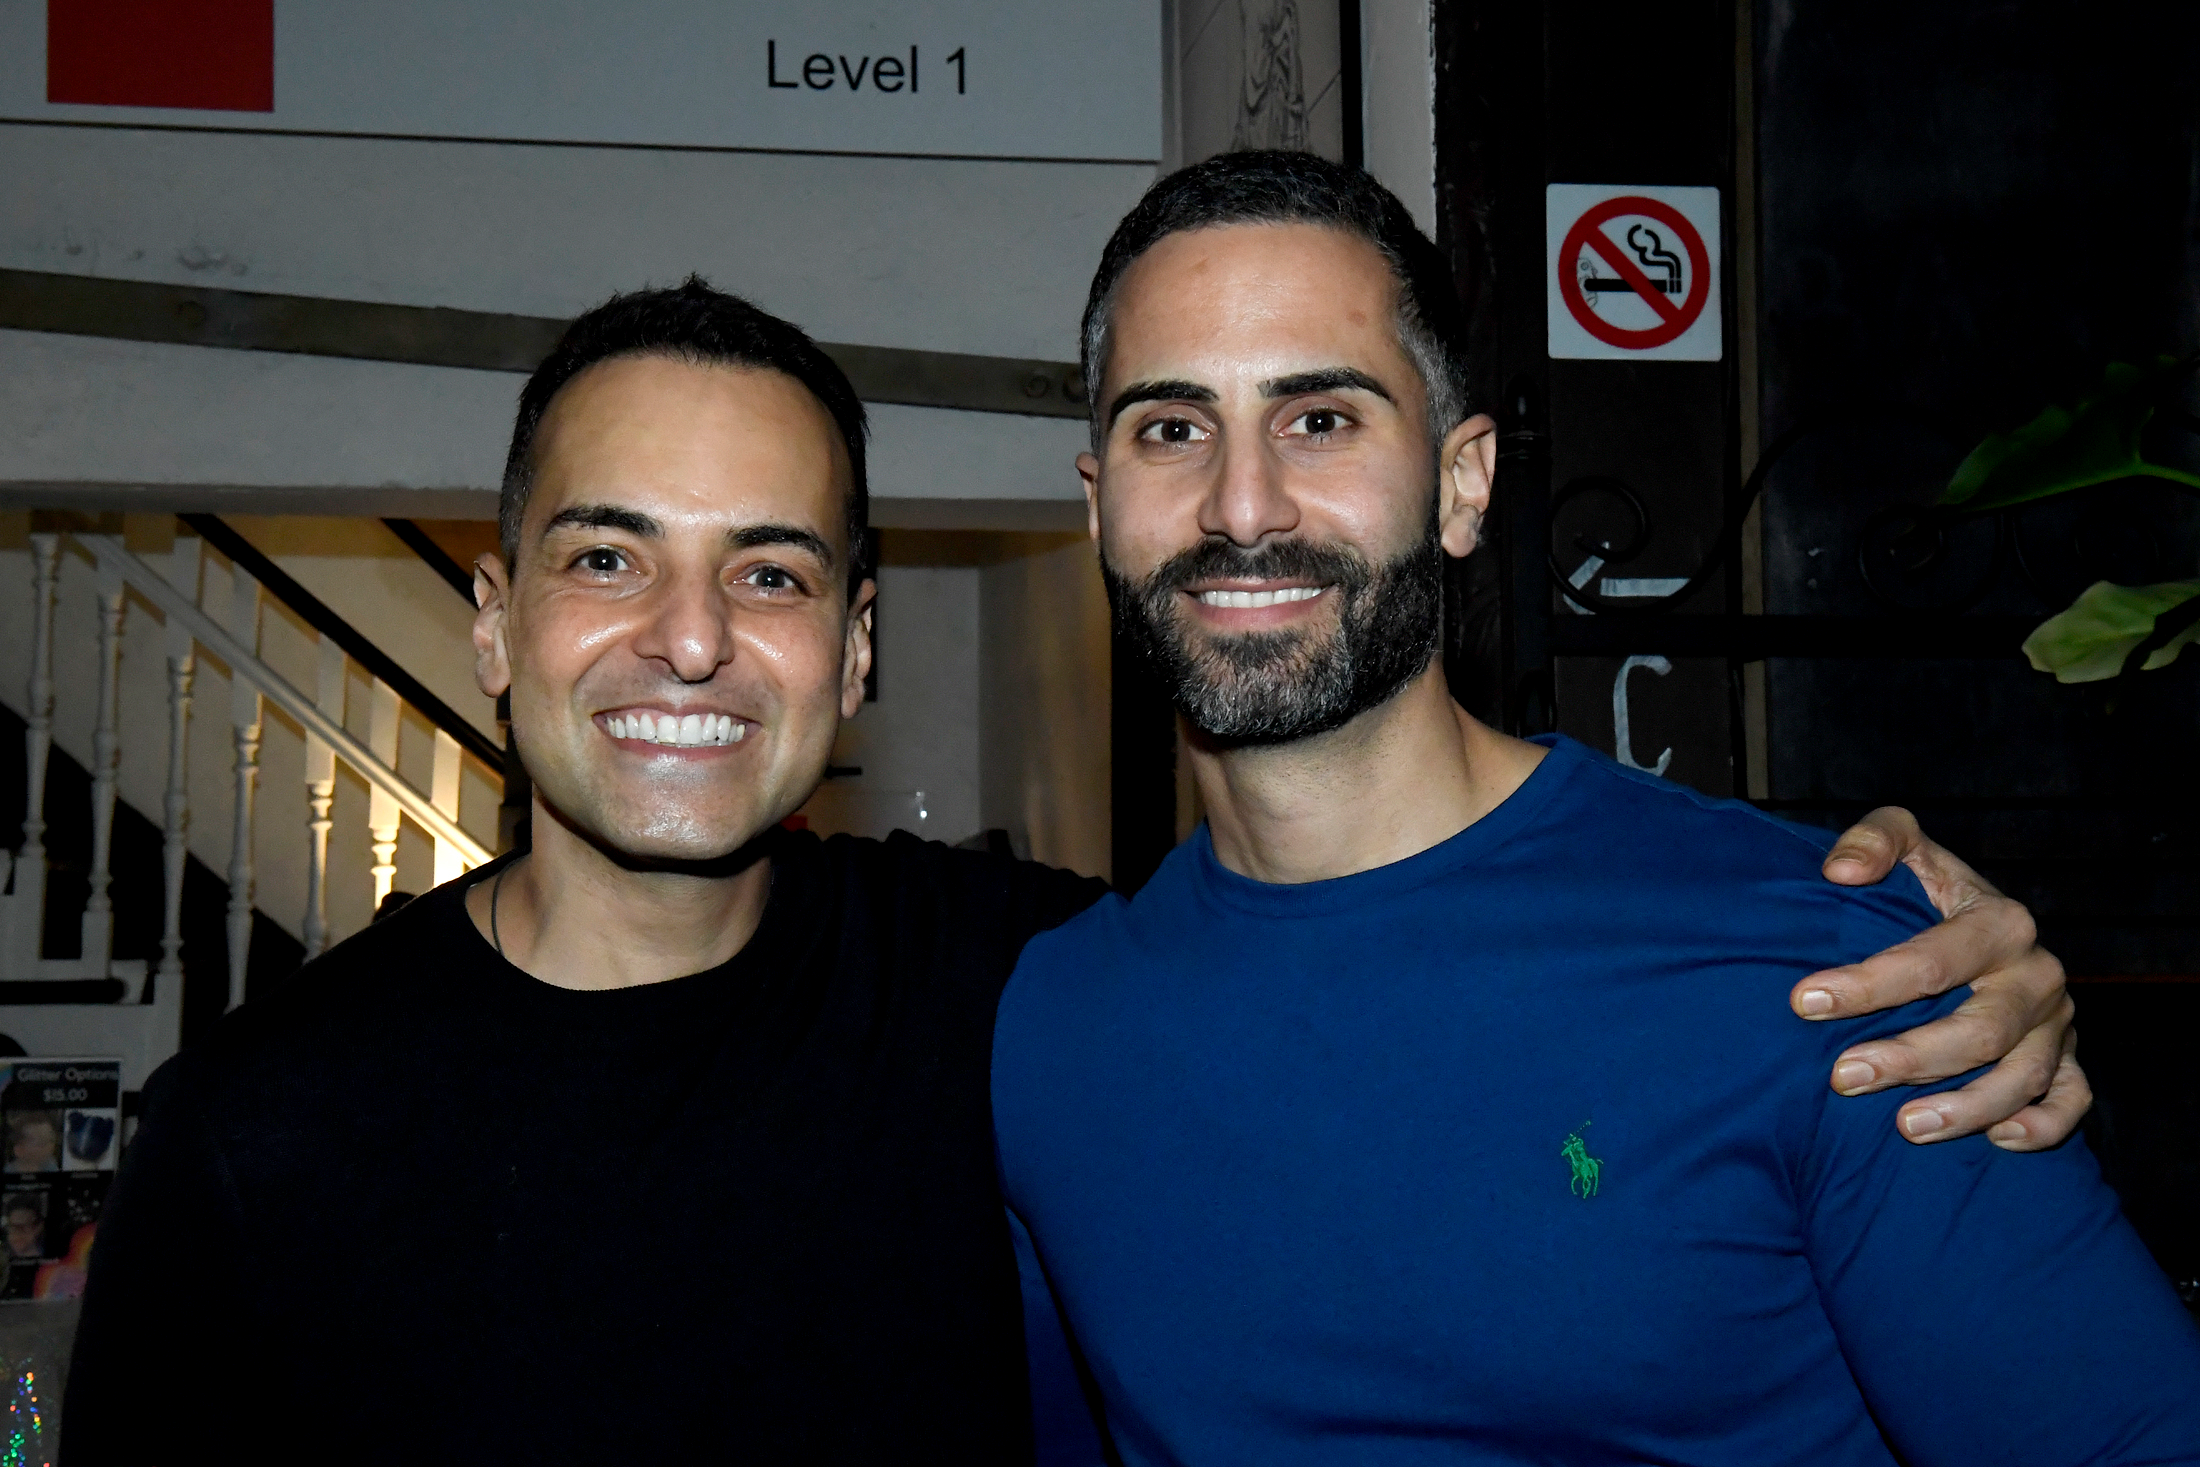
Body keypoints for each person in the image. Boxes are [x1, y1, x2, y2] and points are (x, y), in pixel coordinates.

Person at [66, 276, 2079, 1465]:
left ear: (851, 649)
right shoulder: (258, 1137)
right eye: (608, 557)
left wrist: (1921, 939)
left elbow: (1385, 954)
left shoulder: (1020, 989)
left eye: (766, 572)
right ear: (493, 623)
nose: (687, 641)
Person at [991, 150, 2200, 1466]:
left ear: (1461, 485)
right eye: (1173, 428)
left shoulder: (1835, 965)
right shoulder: (1051, 1032)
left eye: (1320, 418)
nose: (1240, 504)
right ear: (1102, 506)